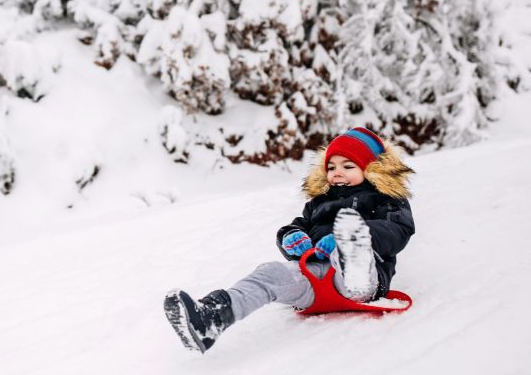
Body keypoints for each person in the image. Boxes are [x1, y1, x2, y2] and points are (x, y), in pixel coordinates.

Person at [163, 127, 416, 354]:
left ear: (371, 169)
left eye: (348, 166)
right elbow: (296, 226)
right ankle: (211, 318)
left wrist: (346, 238)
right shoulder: (318, 203)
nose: (338, 173)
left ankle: (354, 263)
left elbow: (398, 229)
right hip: (314, 278)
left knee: (349, 250)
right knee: (269, 273)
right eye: (331, 167)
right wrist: (291, 237)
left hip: (359, 278)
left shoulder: (386, 198)